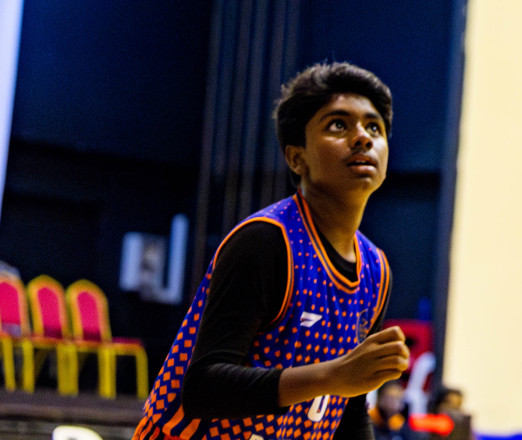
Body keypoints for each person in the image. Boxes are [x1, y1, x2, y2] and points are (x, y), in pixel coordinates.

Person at [134, 63, 408, 440]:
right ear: (297, 158)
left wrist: (345, 380)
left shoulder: (376, 269)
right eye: (338, 125)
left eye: (373, 127)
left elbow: (350, 407)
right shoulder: (267, 241)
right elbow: (202, 389)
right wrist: (332, 375)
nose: (362, 137)